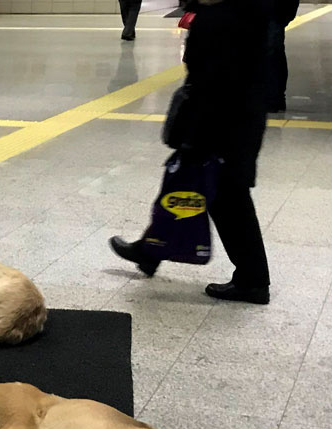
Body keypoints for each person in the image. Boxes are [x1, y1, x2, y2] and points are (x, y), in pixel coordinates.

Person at [109, 0, 272, 305]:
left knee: (225, 199)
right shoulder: (247, 12)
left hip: (220, 123)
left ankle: (253, 280)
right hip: (239, 118)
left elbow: (211, 80)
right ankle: (149, 251)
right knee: (198, 188)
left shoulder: (221, 19)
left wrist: (195, 135)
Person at [267, 0, 300, 112]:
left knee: (272, 52)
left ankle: (273, 98)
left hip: (273, 12)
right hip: (276, 12)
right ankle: (276, 98)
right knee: (274, 52)